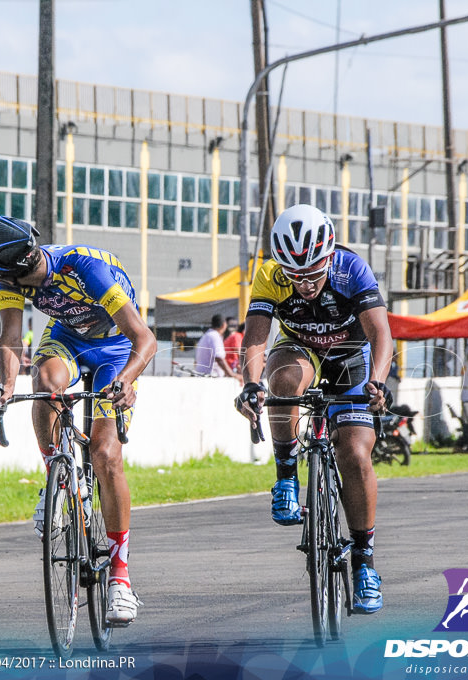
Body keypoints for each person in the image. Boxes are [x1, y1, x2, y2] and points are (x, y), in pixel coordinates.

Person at [0, 215, 156, 626]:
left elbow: (146, 339)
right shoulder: (12, 280)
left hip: (117, 349)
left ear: (8, 267)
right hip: (67, 337)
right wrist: (5, 386)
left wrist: (125, 381)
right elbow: (12, 337)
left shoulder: (86, 269)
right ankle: (59, 475)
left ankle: (120, 578)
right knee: (47, 381)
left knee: (106, 454)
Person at [234, 204, 392, 615]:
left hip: (349, 356)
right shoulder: (270, 274)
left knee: (355, 454)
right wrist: (251, 384)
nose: (304, 283)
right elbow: (255, 339)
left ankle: (364, 561)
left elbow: (380, 335)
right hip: (300, 349)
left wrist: (377, 380)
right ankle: (286, 476)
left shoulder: (352, 269)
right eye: (294, 274)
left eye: (312, 273)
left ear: (329, 255)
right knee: (282, 380)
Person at [194, 314, 239, 378]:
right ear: (224, 325)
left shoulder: (208, 335)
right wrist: (232, 374)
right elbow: (219, 358)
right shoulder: (215, 336)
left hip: (204, 376)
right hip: (211, 378)